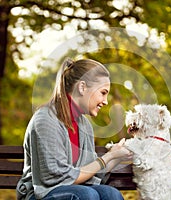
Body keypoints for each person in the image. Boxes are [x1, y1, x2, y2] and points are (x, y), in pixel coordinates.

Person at [16, 58, 132, 200]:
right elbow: (57, 178)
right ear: (82, 87)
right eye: (103, 92)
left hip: (73, 191)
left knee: (110, 194)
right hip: (40, 194)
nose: (105, 101)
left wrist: (116, 156)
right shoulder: (46, 120)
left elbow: (90, 173)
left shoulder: (84, 125)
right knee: (87, 195)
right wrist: (107, 157)